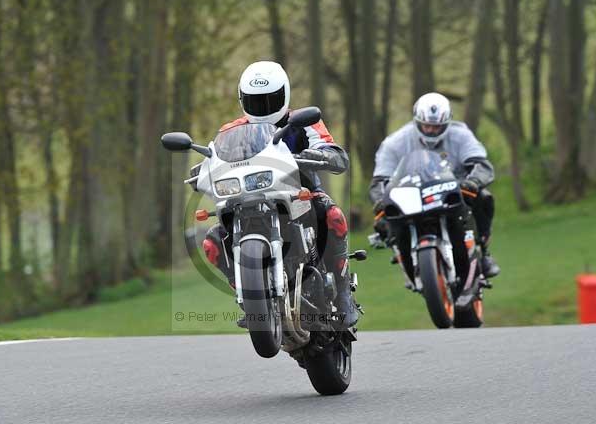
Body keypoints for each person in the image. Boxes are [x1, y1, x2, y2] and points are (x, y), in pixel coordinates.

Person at [201, 61, 359, 328]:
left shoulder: (304, 121)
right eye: (255, 101)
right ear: (243, 100)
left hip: (303, 194)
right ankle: (248, 297)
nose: (262, 108)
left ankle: (343, 293)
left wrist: (322, 154)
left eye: (269, 100)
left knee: (332, 215)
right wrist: (202, 170)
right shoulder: (232, 131)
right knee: (213, 242)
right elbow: (217, 159)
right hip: (248, 197)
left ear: (284, 95)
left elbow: (331, 149)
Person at [368, 92, 500, 277]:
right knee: (383, 220)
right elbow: (379, 181)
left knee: (484, 198)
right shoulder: (394, 143)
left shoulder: (461, 135)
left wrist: (473, 182)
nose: (430, 130)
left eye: (436, 127)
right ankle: (404, 254)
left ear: (447, 122)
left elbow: (482, 165)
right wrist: (381, 200)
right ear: (416, 121)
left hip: (455, 193)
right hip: (412, 199)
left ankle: (483, 252)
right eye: (426, 126)